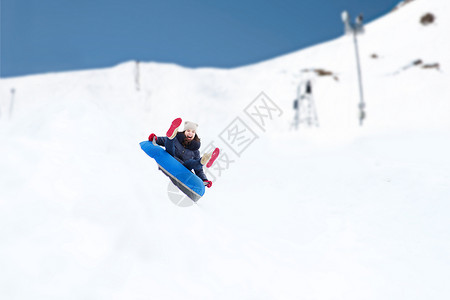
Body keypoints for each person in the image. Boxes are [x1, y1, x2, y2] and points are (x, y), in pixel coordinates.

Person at [148, 118, 219, 188]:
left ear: (195, 134)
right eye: (188, 130)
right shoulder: (177, 139)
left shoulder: (195, 150)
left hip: (183, 167)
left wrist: (204, 179)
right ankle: (170, 137)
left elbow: (198, 170)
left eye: (193, 132)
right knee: (170, 147)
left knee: (191, 163)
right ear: (184, 131)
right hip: (171, 158)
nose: (190, 133)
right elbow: (162, 140)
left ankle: (203, 160)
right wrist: (155, 138)